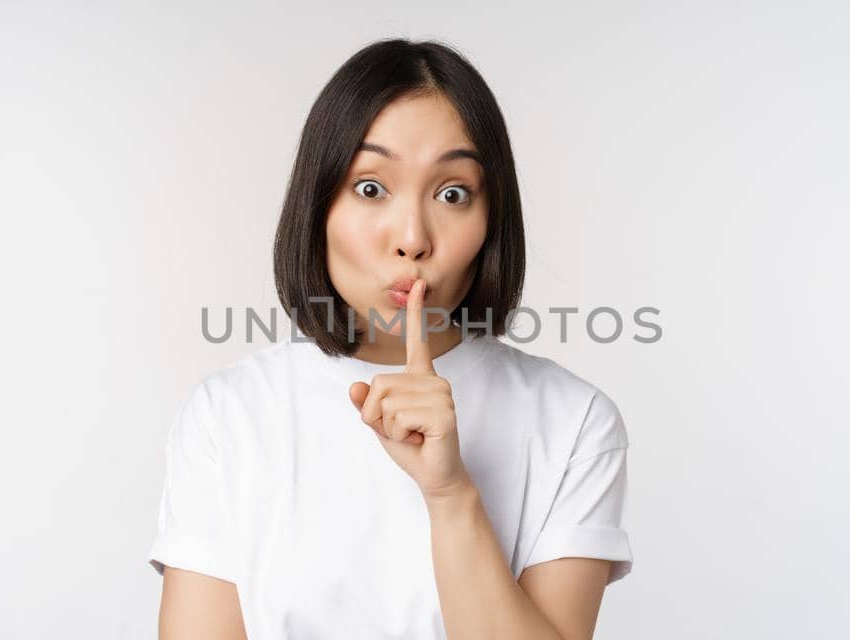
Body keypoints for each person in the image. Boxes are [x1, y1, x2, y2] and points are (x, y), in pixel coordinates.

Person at [149, 38, 633, 639]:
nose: (412, 238)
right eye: (371, 187)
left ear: (491, 220)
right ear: (318, 203)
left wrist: (451, 495)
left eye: (452, 193)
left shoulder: (575, 422)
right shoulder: (228, 417)